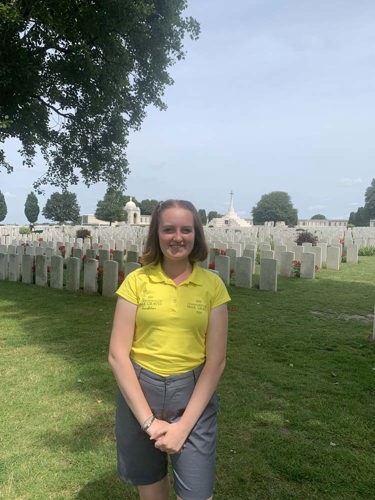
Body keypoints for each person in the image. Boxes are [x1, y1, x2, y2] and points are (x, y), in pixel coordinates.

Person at [108, 199, 231, 500]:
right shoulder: (137, 281)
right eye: (169, 229)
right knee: (151, 491)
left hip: (191, 396)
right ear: (157, 234)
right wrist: (148, 422)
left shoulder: (212, 286)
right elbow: (117, 355)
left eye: (186, 230)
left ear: (196, 235)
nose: (178, 237)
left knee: (197, 494)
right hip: (139, 392)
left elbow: (215, 361)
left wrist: (182, 427)